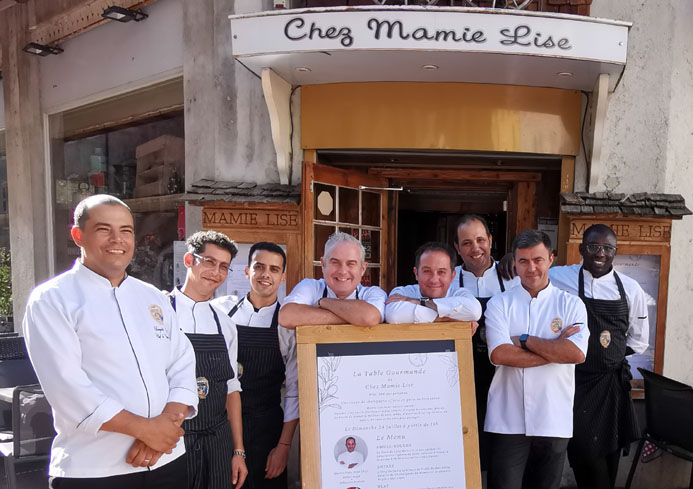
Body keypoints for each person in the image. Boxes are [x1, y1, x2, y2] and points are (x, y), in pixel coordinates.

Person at [23, 195, 198, 489]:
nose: (117, 239)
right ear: (78, 235)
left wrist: (164, 428)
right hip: (94, 469)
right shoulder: (52, 299)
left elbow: (181, 362)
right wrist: (146, 430)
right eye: (104, 229)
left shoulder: (152, 297)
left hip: (167, 461)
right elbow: (67, 387)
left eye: (126, 230)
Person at [484, 230, 589, 489]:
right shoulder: (499, 304)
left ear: (551, 259)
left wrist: (525, 340)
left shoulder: (571, 304)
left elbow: (576, 354)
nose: (531, 268)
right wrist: (555, 350)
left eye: (538, 260)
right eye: (523, 261)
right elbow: (500, 354)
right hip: (507, 420)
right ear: (514, 263)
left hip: (554, 417)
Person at [548, 224, 648, 489]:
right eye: (593, 247)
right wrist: (507, 260)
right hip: (575, 383)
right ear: (582, 249)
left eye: (607, 248)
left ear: (616, 252)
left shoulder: (631, 289)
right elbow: (529, 271)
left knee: (609, 454)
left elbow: (639, 341)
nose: (600, 253)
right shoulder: (558, 277)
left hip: (611, 386)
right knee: (585, 454)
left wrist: (606, 355)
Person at [214, 242, 298, 489]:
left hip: (266, 428)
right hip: (222, 425)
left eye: (274, 269)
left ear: (282, 277)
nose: (265, 275)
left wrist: (283, 447)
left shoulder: (287, 325)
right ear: (247, 271)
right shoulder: (220, 311)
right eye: (259, 267)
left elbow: (294, 391)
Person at [170, 231, 247, 489]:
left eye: (223, 266)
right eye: (209, 262)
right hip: (173, 441)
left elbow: (232, 389)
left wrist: (238, 451)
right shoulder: (159, 313)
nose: (216, 272)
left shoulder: (225, 324)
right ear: (189, 260)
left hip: (218, 442)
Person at [449, 215, 520, 471]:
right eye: (466, 243)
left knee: (501, 449)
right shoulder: (447, 278)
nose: (475, 248)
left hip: (503, 374)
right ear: (457, 248)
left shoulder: (513, 275)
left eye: (480, 240)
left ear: (491, 241)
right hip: (460, 375)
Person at [279, 232, 386, 329]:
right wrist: (354, 317)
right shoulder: (310, 286)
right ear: (323, 264)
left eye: (351, 264)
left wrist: (324, 303)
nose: (343, 271)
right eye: (335, 262)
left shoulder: (373, 293)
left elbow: (370, 317)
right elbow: (286, 317)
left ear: (363, 269)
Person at [384, 241, 481, 326]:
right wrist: (454, 318)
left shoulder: (460, 294)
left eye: (441, 272)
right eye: (427, 271)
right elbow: (393, 315)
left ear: (452, 276)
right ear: (416, 273)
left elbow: (475, 311)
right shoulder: (402, 292)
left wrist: (418, 302)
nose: (434, 279)